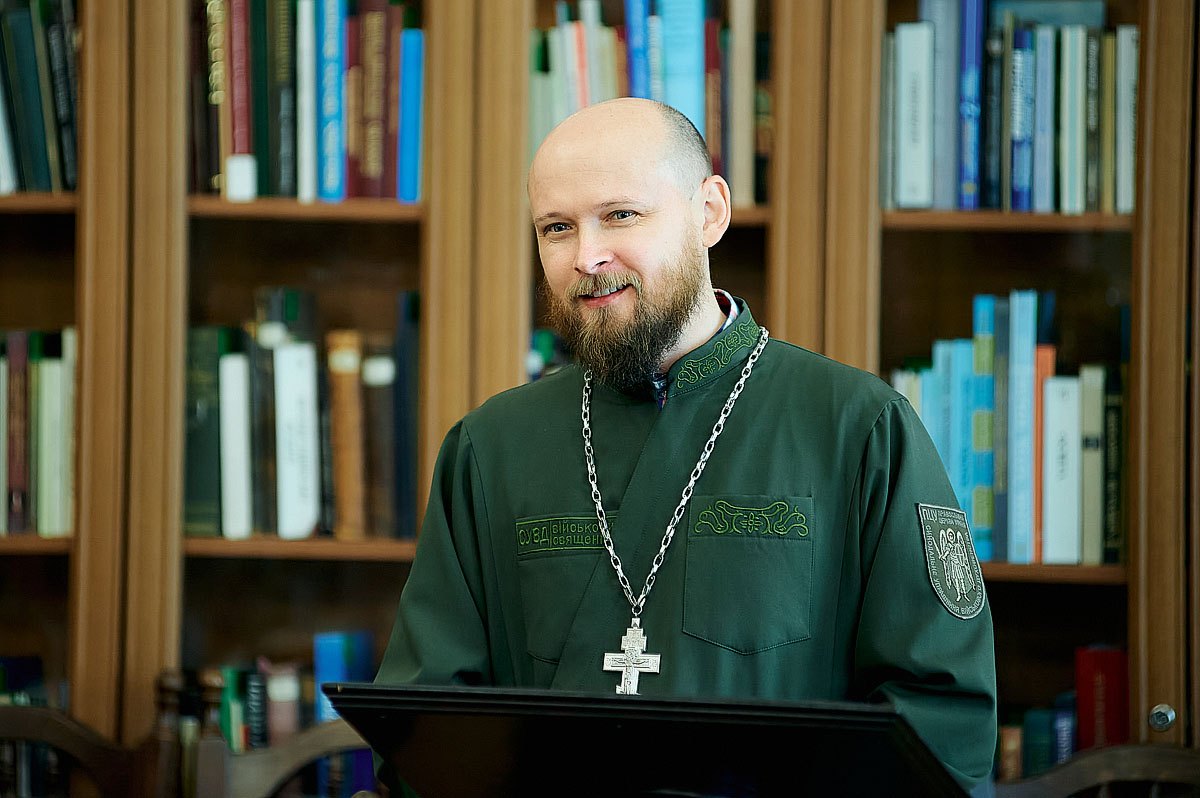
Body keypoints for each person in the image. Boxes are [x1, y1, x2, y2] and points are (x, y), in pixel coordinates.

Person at [375, 98, 997, 788]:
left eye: (621, 215)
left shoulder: (861, 427)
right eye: (557, 228)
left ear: (710, 213)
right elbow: (427, 725)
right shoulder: (489, 447)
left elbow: (940, 721)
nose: (587, 256)